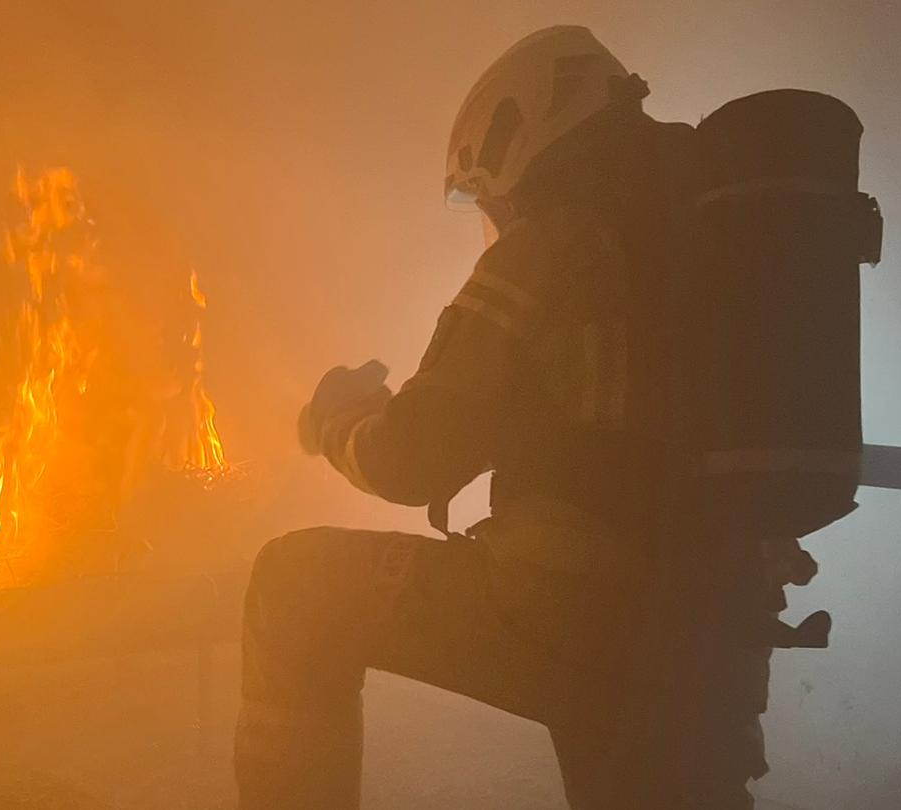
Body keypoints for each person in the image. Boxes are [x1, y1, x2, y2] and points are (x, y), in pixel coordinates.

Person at [235, 26, 804, 809]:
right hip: (710, 643)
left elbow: (412, 459)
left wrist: (341, 420)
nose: (494, 211)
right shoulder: (718, 245)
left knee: (291, 582)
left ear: (514, 134)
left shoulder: (552, 243)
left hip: (570, 616)